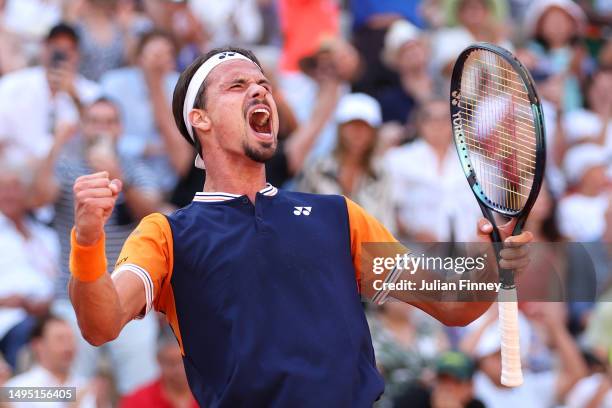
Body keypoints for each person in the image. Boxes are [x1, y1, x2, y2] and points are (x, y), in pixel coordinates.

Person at [68, 46, 533, 407]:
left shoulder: (338, 216)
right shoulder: (167, 233)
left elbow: (452, 304)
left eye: (263, 83)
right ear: (200, 119)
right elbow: (101, 322)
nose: (259, 91)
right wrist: (87, 242)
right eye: (236, 85)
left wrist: (493, 266)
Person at [31, 98, 162, 396]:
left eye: (109, 121)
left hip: (129, 295)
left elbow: (152, 212)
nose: (102, 128)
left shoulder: (133, 167)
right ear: (83, 127)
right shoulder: (67, 166)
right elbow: (37, 198)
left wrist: (120, 178)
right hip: (72, 294)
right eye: (95, 121)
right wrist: (56, 145)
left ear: (120, 128)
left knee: (139, 391)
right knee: (73, 390)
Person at [101, 29, 193, 194]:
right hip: (121, 177)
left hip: (170, 184)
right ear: (138, 58)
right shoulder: (113, 83)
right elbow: (100, 135)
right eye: (155, 54)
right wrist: (144, 148)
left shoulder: (180, 87)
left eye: (166, 55)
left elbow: (182, 162)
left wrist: (156, 86)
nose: (159, 61)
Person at [384, 98, 482, 242]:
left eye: (444, 119)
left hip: (470, 254)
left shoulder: (476, 162)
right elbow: (389, 210)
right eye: (430, 118)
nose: (438, 125)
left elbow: (488, 214)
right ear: (419, 123)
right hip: (414, 251)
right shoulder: (397, 159)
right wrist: (413, 232)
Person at [297, 92, 396, 233]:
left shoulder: (381, 172)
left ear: (374, 132)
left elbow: (386, 224)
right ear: (340, 128)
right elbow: (303, 217)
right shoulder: (317, 168)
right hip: (322, 248)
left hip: (368, 250)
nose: (358, 132)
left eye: (365, 126)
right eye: (352, 125)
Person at [0, 23, 100, 159]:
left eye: (68, 49)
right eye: (55, 47)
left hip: (69, 169)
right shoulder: (13, 84)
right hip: (19, 167)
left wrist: (74, 96)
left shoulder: (92, 93)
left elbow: (97, 138)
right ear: (44, 48)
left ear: (78, 54)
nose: (61, 54)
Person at [461, 303, 587, 408]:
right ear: (482, 359)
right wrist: (490, 321)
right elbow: (460, 357)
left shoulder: (530, 386)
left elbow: (576, 374)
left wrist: (555, 327)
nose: (506, 360)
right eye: (497, 355)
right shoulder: (471, 388)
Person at [0, 151, 58, 370]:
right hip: (9, 319)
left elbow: (61, 277)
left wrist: (46, 303)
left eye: (15, 187)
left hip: (51, 312)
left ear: (27, 193)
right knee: (33, 336)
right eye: (3, 187)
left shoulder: (45, 235)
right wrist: (8, 301)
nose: (9, 194)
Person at [367, 302, 449, 406]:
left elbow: (446, 357)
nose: (406, 300)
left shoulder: (427, 322)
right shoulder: (369, 327)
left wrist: (436, 374)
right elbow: (368, 375)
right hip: (387, 401)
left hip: (429, 399)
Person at [5, 314, 94, 407]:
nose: (68, 346)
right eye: (60, 339)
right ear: (38, 345)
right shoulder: (18, 389)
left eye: (71, 339)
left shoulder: (87, 386)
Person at [120, 331, 197, 408]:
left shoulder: (206, 394)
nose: (178, 370)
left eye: (182, 362)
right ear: (158, 360)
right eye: (171, 363)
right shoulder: (137, 401)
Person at [393, 351, 485, 408]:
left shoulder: (476, 405)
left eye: (457, 381)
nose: (448, 387)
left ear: (470, 387)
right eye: (443, 380)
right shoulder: (412, 401)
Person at [558, 143, 611, 242]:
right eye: (596, 170)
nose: (602, 174)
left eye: (602, 169)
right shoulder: (568, 206)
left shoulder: (609, 197)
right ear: (583, 174)